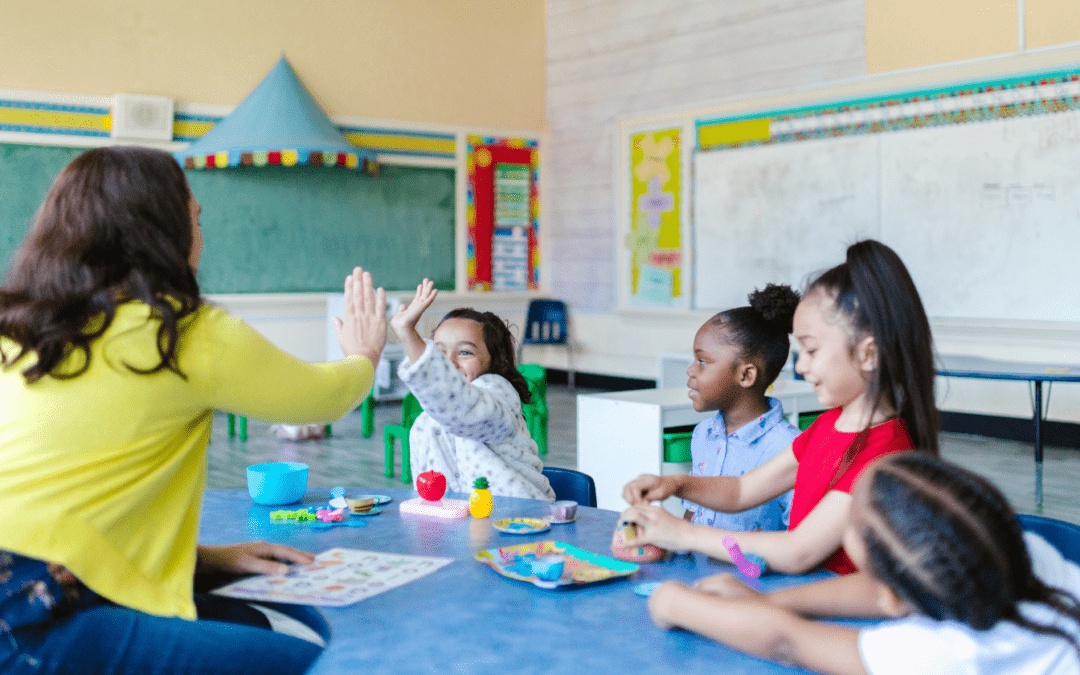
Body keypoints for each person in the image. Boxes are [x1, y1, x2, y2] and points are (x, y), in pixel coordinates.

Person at [0, 146, 387, 675]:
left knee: (247, 624)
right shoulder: (180, 334)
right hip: (38, 614)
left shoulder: (18, 330)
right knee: (326, 665)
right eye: (195, 219)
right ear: (162, 232)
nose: (200, 235)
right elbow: (321, 397)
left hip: (28, 589)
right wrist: (363, 355)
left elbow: (58, 499)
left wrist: (205, 558)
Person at [619, 240, 939, 575]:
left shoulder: (883, 453)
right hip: (807, 591)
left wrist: (684, 534)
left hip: (832, 604)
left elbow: (797, 551)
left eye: (811, 351)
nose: (800, 368)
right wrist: (675, 484)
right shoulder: (828, 426)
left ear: (868, 354)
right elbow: (742, 490)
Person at [647, 452, 1080, 675]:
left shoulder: (937, 655)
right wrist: (772, 602)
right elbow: (883, 590)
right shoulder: (1015, 550)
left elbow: (788, 644)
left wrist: (674, 603)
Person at [390, 278, 554, 500]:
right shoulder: (425, 423)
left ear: (499, 361)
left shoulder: (499, 396)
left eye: (465, 352)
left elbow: (462, 407)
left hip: (519, 520)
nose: (449, 362)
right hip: (462, 525)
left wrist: (408, 334)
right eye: (439, 353)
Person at [680, 284, 801, 532]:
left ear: (746, 375)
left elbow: (798, 537)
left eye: (702, 361)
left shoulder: (789, 448)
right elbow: (693, 512)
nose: (691, 370)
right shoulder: (704, 434)